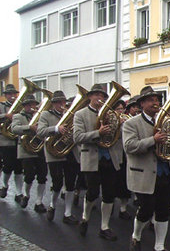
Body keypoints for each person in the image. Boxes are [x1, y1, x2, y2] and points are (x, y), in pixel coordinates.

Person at [124, 86, 170, 251]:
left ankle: (159, 246)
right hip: (144, 173)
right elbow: (129, 146)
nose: (156, 103)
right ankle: (136, 235)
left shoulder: (165, 121)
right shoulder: (131, 123)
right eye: (151, 100)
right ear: (142, 104)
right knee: (146, 210)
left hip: (164, 172)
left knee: (163, 210)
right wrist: (152, 140)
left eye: (157, 100)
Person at [73, 84, 123, 241]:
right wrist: (98, 133)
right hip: (92, 159)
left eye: (102, 96)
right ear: (90, 97)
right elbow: (77, 137)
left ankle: (105, 226)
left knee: (109, 194)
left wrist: (120, 126)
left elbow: (119, 138)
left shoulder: (111, 114)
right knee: (92, 192)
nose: (100, 98)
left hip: (110, 158)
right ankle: (85, 218)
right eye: (96, 95)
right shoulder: (80, 114)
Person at [37, 90, 78, 224]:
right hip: (54, 153)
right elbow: (40, 131)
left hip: (69, 152)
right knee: (57, 182)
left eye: (62, 102)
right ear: (53, 104)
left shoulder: (71, 114)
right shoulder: (45, 115)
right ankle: (52, 205)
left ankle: (68, 213)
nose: (61, 105)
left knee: (71, 183)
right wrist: (56, 129)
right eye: (58, 102)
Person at [11, 94, 48, 212]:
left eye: (34, 104)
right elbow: (14, 129)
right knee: (29, 176)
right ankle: (26, 195)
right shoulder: (18, 116)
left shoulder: (41, 116)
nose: (32, 107)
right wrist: (29, 127)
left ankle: (39, 202)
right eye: (29, 105)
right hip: (26, 150)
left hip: (40, 149)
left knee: (42, 176)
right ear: (25, 106)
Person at [0, 84, 24, 202]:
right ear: (5, 96)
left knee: (19, 168)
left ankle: (19, 193)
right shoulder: (1, 106)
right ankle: (4, 185)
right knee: (8, 166)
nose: (12, 96)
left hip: (18, 140)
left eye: (14, 94)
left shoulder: (21, 107)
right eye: (9, 94)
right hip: (5, 141)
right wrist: (6, 115)